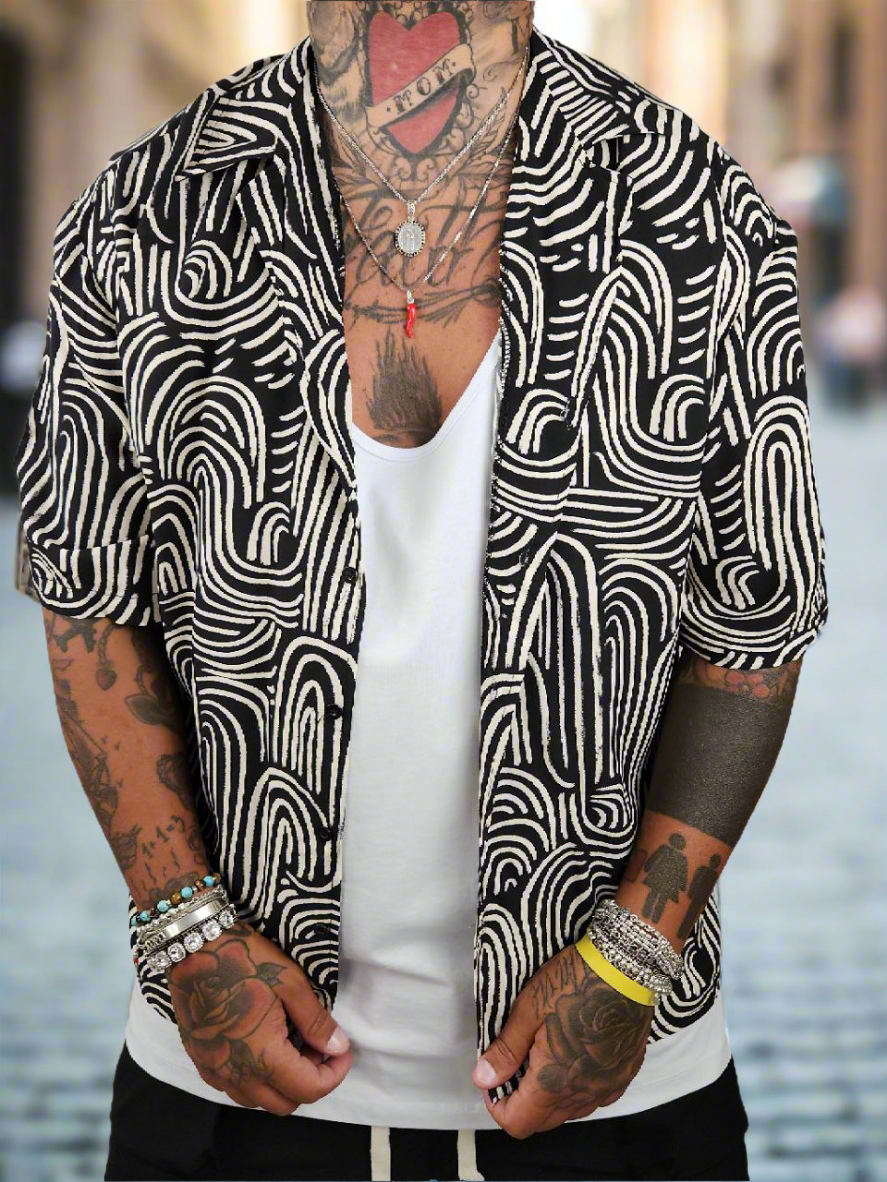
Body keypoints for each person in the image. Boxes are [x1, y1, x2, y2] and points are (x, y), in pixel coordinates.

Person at [13, 3, 830, 1180]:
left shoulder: (696, 210)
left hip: (616, 1100)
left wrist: (632, 954)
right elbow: (89, 590)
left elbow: (751, 618)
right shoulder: (148, 207)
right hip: (227, 1096)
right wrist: (183, 925)